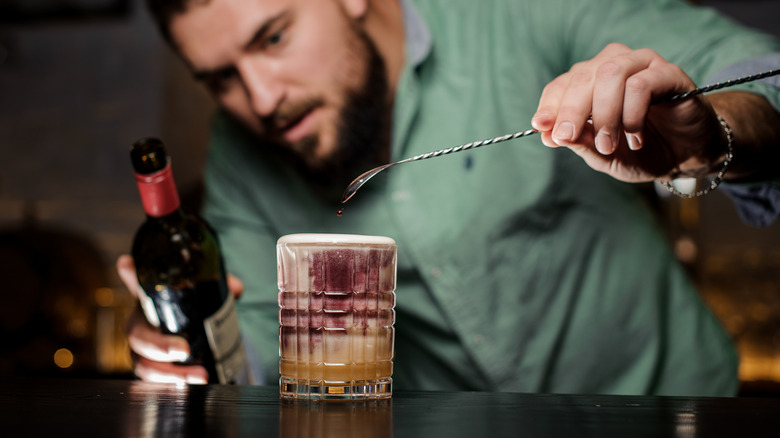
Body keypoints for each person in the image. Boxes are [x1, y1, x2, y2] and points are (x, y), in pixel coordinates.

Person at [118, 0, 780, 395]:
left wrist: (709, 137)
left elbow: (755, 68)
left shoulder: (510, 14)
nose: (262, 99)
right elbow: (268, 347)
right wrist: (195, 348)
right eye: (222, 78)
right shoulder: (239, 152)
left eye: (273, 37)